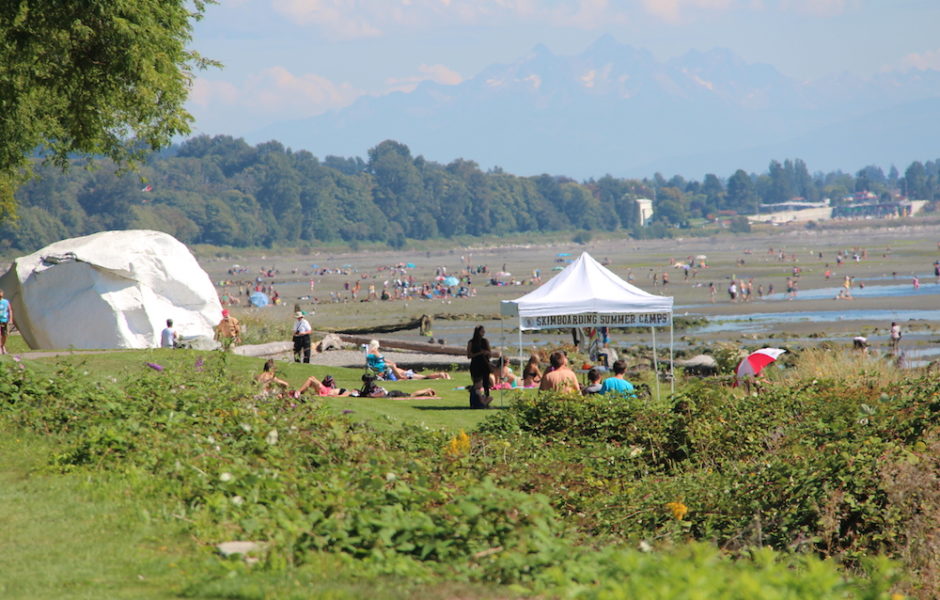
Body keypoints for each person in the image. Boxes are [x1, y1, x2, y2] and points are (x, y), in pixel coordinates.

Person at [366, 340, 451, 380]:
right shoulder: (377, 357)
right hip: (401, 373)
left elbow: (382, 361)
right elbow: (384, 361)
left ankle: (441, 375)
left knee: (423, 377)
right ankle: (441, 375)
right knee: (423, 377)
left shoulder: (374, 359)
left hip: (401, 373)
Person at [358, 373, 438, 398]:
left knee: (411, 395)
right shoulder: (370, 385)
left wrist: (371, 395)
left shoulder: (371, 385)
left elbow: (381, 393)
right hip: (392, 393)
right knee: (411, 395)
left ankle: (427, 389)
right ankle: (427, 393)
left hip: (393, 394)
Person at [467, 326, 493, 399]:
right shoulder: (471, 342)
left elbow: (490, 354)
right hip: (475, 365)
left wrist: (486, 353)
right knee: (476, 383)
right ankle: (476, 399)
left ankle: (486, 398)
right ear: (478, 332)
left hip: (485, 364)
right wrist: (479, 353)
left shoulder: (485, 341)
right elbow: (469, 355)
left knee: (486, 383)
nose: (484, 332)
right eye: (482, 331)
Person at [0, 289, 12, 355]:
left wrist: (11, 319)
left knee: (5, 335)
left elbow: (10, 310)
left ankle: (2, 346)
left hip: (4, 320)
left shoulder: (6, 302)